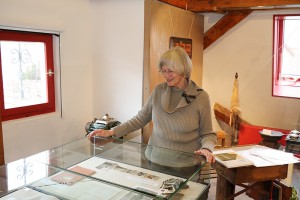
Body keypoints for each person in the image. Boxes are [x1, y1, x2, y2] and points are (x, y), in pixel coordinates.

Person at [87, 46, 217, 164]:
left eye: (170, 71)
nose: (166, 75)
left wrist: (206, 148)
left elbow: (208, 134)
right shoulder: (158, 91)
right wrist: (111, 132)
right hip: (155, 161)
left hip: (186, 165)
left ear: (183, 70)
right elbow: (140, 119)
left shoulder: (201, 97)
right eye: (163, 71)